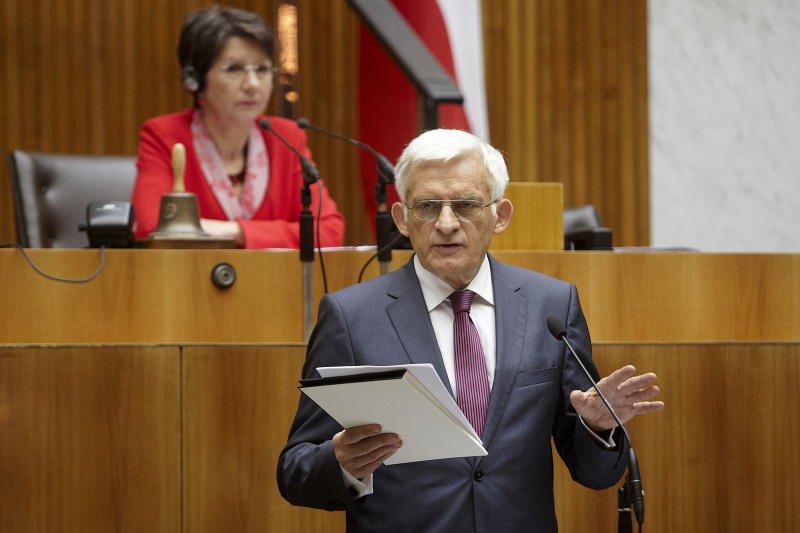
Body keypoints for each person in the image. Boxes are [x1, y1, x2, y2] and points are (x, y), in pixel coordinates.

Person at [277, 129, 663, 532]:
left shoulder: (551, 306)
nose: (446, 224)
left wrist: (597, 427)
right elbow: (294, 471)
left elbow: (595, 474)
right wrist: (340, 462)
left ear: (500, 216)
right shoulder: (350, 316)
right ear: (402, 219)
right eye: (427, 206)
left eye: (466, 205)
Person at [131, 6, 345, 249]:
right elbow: (152, 229)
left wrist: (234, 231)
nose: (252, 84)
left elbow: (329, 231)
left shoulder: (286, 137)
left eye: (261, 69)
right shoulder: (165, 136)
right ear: (195, 81)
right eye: (233, 69)